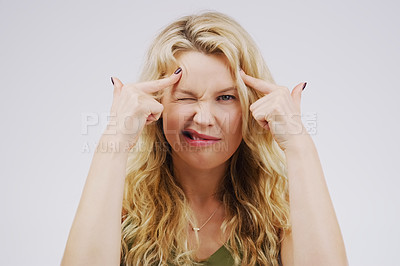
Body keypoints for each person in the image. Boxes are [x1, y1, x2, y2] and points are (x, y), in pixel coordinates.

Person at [61, 11, 348, 266]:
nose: (204, 118)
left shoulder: (282, 208)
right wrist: (115, 140)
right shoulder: (121, 204)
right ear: (157, 106)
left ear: (251, 106)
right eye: (186, 97)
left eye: (226, 97)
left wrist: (299, 145)